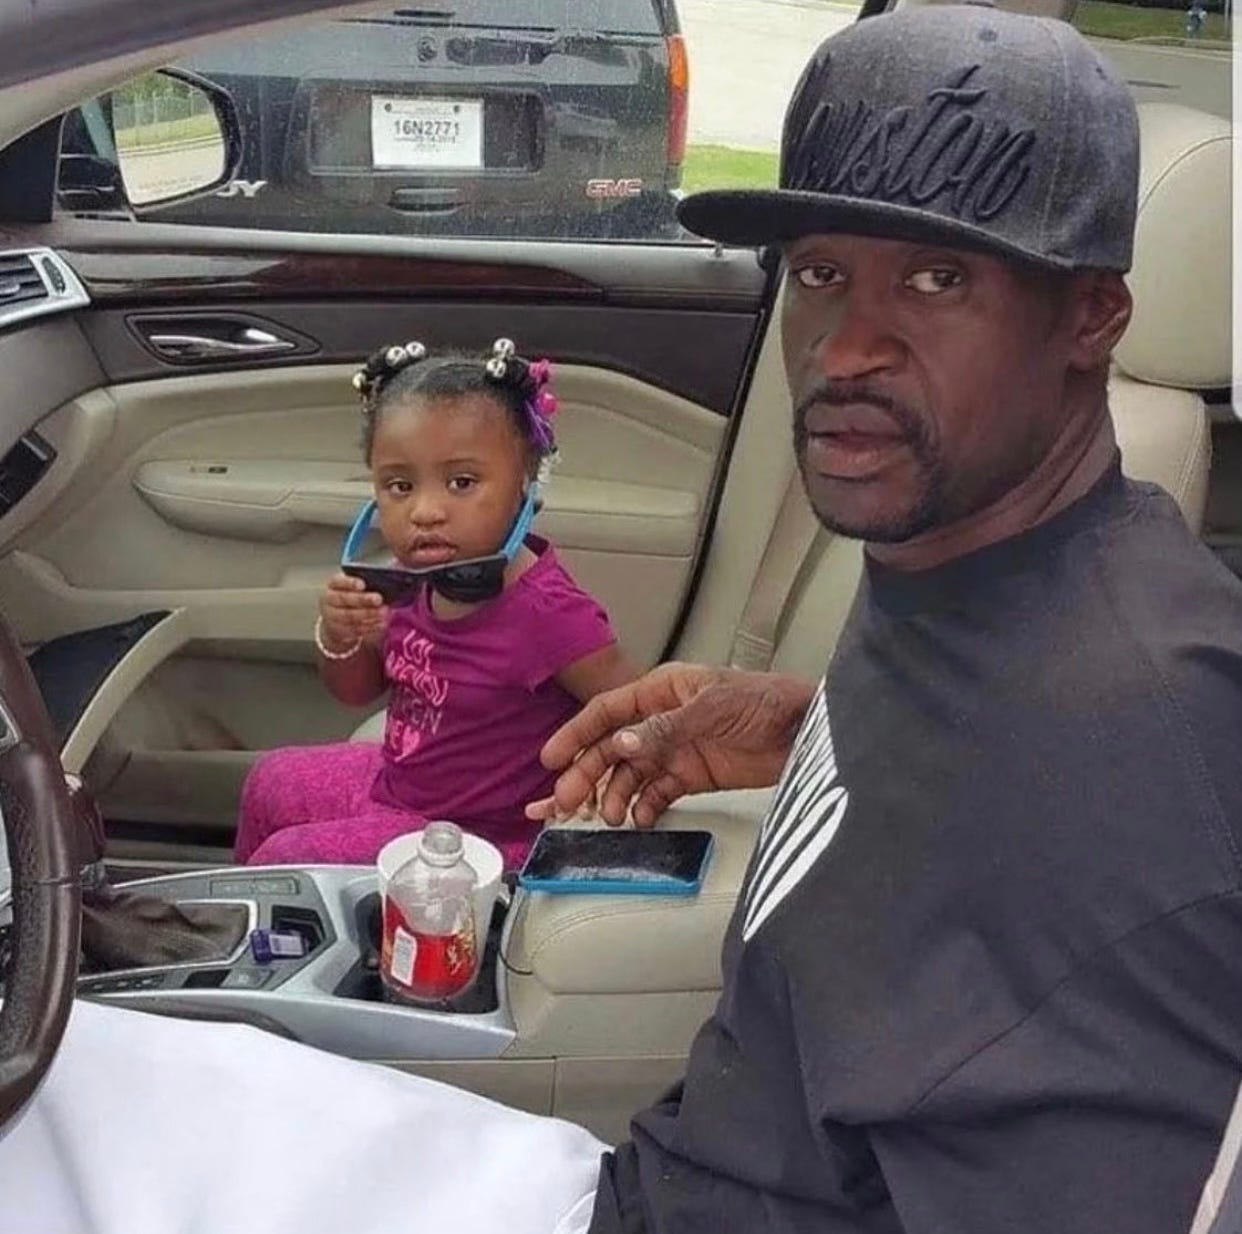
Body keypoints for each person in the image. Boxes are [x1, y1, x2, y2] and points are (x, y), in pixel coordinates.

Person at [3, 7, 1240, 1234]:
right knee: (63, 1091)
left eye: (938, 276)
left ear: (1093, 316)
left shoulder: (1129, 760)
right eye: (819, 272)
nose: (849, 345)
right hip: (639, 1171)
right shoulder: (986, 573)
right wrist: (815, 728)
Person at [232, 339, 633, 870]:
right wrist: (340, 636)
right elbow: (356, 691)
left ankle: (284, 942)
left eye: (461, 483)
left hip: (475, 839)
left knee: (291, 857)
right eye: (400, 486)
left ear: (523, 485)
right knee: (270, 779)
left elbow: (635, 710)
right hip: (397, 791)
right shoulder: (409, 581)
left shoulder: (548, 613)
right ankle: (247, 922)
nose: (425, 511)